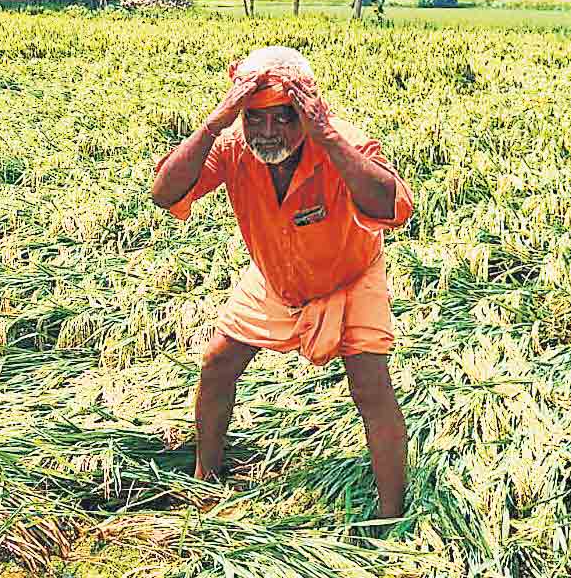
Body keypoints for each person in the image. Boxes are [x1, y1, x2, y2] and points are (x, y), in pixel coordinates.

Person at [150, 46, 414, 519]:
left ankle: (391, 517)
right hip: (276, 277)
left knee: (370, 388)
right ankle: (205, 478)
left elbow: (389, 205)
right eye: (255, 118)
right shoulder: (232, 146)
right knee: (218, 363)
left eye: (284, 118)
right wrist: (214, 124)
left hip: (351, 275)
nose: (268, 131)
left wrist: (327, 136)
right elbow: (164, 192)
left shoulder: (342, 141)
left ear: (307, 109)